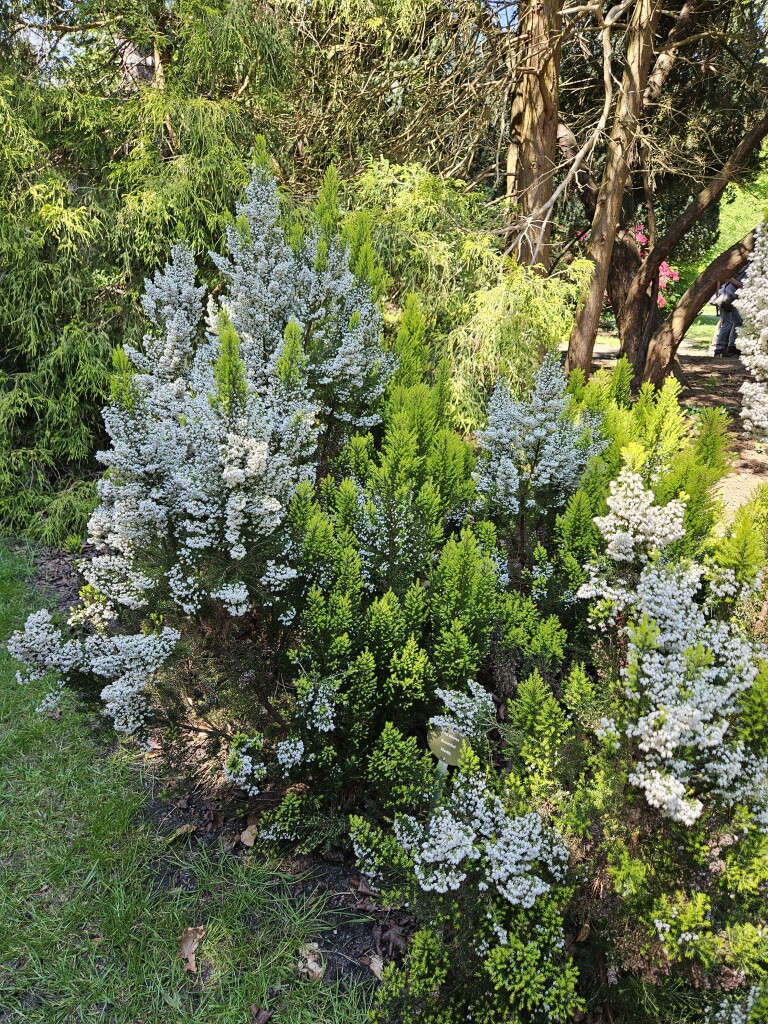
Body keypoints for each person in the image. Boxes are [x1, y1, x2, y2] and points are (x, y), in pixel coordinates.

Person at [713, 265, 747, 357]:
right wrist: (732, 280)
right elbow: (742, 285)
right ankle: (720, 349)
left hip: (733, 298)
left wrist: (732, 280)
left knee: (737, 322)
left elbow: (744, 285)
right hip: (727, 298)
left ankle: (730, 346)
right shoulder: (736, 268)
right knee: (728, 323)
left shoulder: (743, 269)